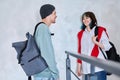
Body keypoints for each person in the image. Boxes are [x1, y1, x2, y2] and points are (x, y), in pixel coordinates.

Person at [76, 11, 112, 80]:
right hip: (86, 69)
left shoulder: (100, 30)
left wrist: (95, 42)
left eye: (87, 18)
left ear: (92, 19)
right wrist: (79, 68)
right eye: (83, 19)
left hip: (98, 69)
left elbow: (107, 46)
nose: (85, 20)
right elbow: (80, 51)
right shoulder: (80, 34)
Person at [33, 4, 59, 80]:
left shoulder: (40, 27)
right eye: (54, 13)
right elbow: (47, 54)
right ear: (49, 14)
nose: (56, 16)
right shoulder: (43, 28)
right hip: (46, 74)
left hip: (41, 73)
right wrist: (55, 73)